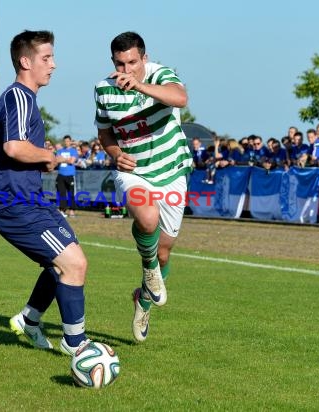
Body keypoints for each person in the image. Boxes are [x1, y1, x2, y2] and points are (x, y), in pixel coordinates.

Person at [0, 30, 90, 355]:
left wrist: (42, 160)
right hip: (15, 205)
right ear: (25, 61)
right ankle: (77, 347)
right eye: (46, 58)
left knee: (65, 259)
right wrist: (46, 155)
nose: (54, 65)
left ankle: (29, 321)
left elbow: (18, 151)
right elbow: (14, 147)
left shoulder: (27, 101)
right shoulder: (17, 97)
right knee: (73, 264)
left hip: (32, 201)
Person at [95, 31, 193, 342]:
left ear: (144, 58)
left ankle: (144, 298)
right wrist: (116, 154)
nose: (126, 70)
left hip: (172, 171)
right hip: (134, 172)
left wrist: (140, 85)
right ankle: (149, 271)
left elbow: (180, 98)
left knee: (164, 253)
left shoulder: (161, 74)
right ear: (112, 61)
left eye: (132, 62)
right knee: (147, 218)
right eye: (120, 64)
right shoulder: (103, 90)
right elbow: (106, 134)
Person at [55, 135, 78, 217]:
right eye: (65, 141)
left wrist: (62, 159)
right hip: (61, 174)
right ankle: (62, 209)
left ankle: (72, 210)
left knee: (71, 193)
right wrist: (66, 159)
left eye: (68, 141)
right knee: (61, 193)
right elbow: (57, 160)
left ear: (70, 142)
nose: (66, 142)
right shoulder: (60, 150)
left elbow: (72, 161)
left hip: (70, 174)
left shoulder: (73, 151)